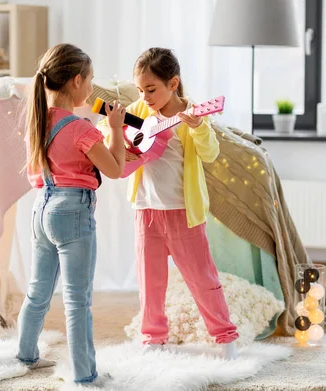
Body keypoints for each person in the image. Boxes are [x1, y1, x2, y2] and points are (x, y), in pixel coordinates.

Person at [101, 47, 240, 359]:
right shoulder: (139, 110)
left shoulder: (192, 116)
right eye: (140, 90)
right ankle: (153, 338)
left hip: (181, 211)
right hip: (144, 208)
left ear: (173, 83)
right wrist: (121, 135)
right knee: (150, 283)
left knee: (203, 279)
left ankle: (225, 337)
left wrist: (199, 129)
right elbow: (110, 132)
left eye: (152, 90)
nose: (146, 97)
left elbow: (211, 154)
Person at [16, 43, 126, 385]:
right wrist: (117, 128)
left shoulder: (37, 120)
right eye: (90, 80)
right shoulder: (81, 128)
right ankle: (85, 375)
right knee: (78, 301)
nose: (92, 88)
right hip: (72, 211)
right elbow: (116, 169)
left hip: (42, 208)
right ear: (76, 81)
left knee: (37, 291)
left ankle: (26, 355)